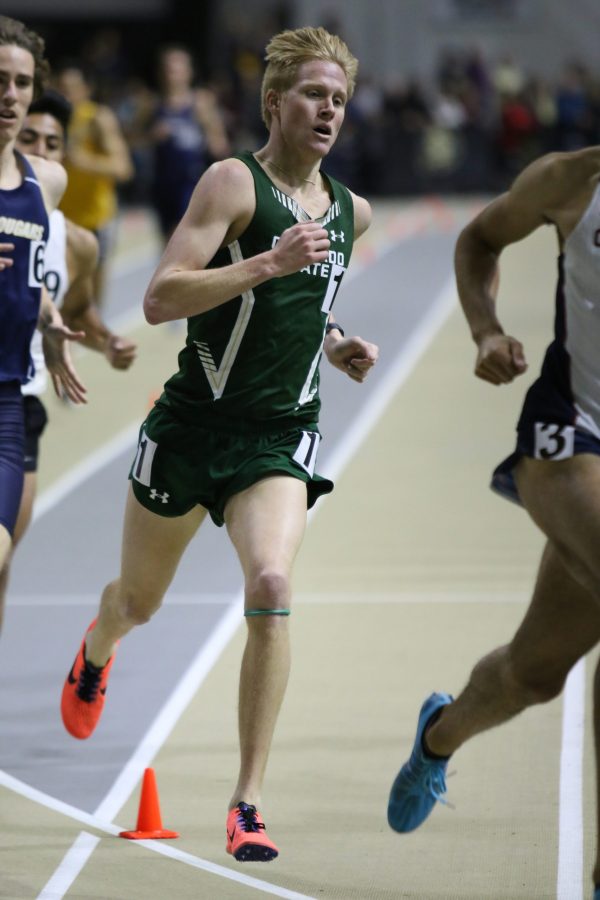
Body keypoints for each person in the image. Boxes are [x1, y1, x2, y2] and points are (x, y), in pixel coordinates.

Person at [60, 25, 378, 862]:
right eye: (314, 93)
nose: (329, 110)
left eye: (339, 98)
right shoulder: (233, 182)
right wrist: (264, 265)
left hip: (279, 436)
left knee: (271, 580)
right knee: (138, 602)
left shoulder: (353, 210)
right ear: (275, 102)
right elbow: (163, 297)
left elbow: (309, 305)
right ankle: (96, 651)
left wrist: (336, 339)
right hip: (191, 428)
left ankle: (247, 801)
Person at [386, 144, 600, 899]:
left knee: (534, 675)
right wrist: (485, 329)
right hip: (569, 436)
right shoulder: (571, 179)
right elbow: (477, 237)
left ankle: (438, 735)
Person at [0, 89, 138, 632]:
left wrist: (105, 343)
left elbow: (76, 310)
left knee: (5, 554)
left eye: (51, 144)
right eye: (29, 138)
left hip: (22, 400)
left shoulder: (77, 244)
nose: (39, 151)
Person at [0, 16, 86, 575]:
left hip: (6, 404)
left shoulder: (45, 182)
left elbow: (28, 273)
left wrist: (48, 319)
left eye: (22, 82)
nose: (10, 95)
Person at [54, 61, 133, 307]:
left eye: (71, 88)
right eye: (61, 88)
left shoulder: (97, 119)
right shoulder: (50, 120)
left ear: (85, 90)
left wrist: (82, 161)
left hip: (95, 219)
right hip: (61, 218)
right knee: (61, 289)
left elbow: (123, 168)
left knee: (93, 298)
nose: (66, 95)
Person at [148, 44, 230, 243]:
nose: (172, 75)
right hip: (163, 182)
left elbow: (221, 148)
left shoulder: (201, 102)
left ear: (188, 72)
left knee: (181, 238)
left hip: (192, 181)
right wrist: (151, 135)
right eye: (168, 69)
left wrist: (205, 125)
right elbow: (130, 139)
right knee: (167, 243)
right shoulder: (152, 104)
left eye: (177, 69)